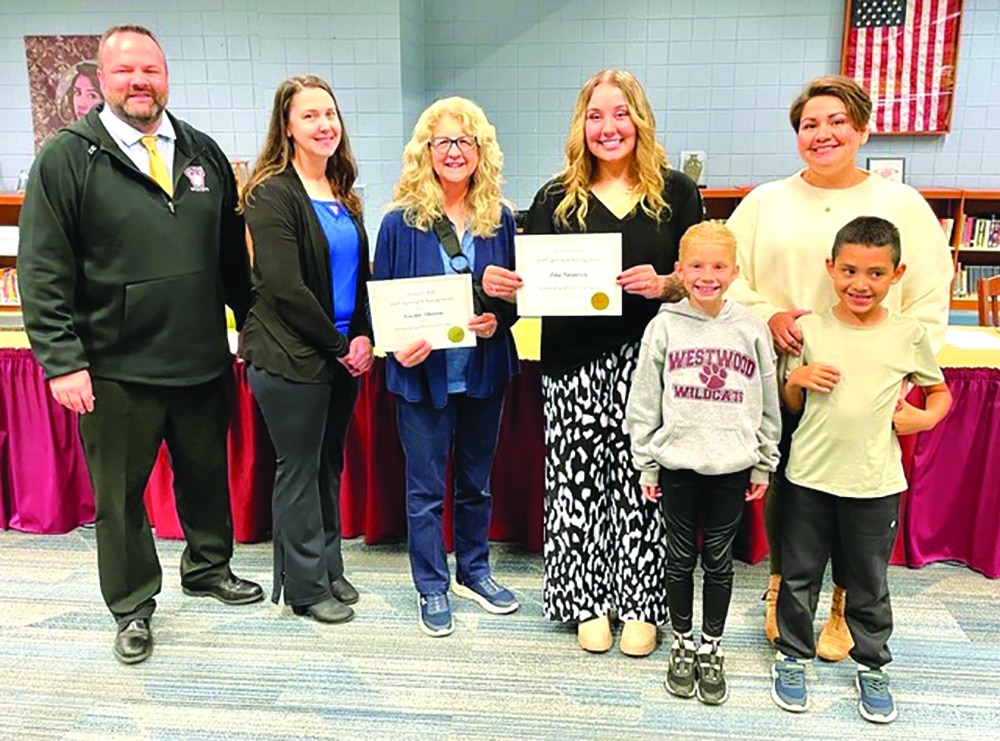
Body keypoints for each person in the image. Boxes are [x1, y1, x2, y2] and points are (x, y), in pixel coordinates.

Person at [16, 25, 261, 665]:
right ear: (101, 80)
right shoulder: (67, 159)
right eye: (125, 72)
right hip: (115, 368)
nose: (139, 82)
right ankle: (131, 606)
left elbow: (231, 260)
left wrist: (256, 320)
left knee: (207, 478)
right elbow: (42, 267)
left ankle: (209, 567)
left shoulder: (202, 153)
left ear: (166, 75)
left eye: (149, 70)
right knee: (121, 501)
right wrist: (62, 360)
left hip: (202, 357)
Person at [725, 75, 953, 659]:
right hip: (787, 374)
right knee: (788, 484)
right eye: (809, 125)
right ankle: (782, 588)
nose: (822, 134)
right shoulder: (764, 202)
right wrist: (769, 315)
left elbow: (929, 291)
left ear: (863, 129)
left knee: (860, 496)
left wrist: (908, 364)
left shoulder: (902, 204)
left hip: (870, 382)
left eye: (836, 122)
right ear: (796, 135)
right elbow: (730, 278)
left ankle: (846, 602)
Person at [482, 69, 703, 656]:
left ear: (640, 120)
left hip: (651, 362)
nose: (609, 127)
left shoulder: (677, 193)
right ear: (581, 125)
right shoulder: (555, 196)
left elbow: (700, 280)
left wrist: (666, 283)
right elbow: (530, 282)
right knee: (577, 479)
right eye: (596, 115)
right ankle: (585, 599)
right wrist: (511, 287)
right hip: (572, 361)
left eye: (620, 113)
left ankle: (641, 602)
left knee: (643, 480)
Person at [769, 216, 951, 724]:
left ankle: (872, 663)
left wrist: (925, 416)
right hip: (808, 476)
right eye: (849, 270)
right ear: (830, 268)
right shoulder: (809, 329)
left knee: (869, 580)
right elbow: (788, 403)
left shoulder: (907, 334)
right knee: (800, 574)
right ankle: (792, 655)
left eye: (875, 273)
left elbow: (938, 391)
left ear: (897, 274)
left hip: (875, 484)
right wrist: (798, 379)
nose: (860, 283)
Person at [373, 96, 520, 637]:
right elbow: (380, 302)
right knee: (426, 489)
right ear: (425, 152)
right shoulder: (399, 224)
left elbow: (513, 300)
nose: (455, 151)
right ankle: (432, 585)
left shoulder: (499, 219)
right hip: (423, 375)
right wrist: (393, 344)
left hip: (483, 371)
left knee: (476, 484)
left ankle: (474, 572)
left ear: (480, 151)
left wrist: (496, 320)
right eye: (444, 141)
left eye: (465, 141)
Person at [626, 222, 780, 705]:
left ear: (735, 272)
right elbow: (645, 400)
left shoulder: (751, 328)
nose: (707, 275)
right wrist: (647, 461)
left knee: (717, 560)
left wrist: (763, 462)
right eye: (696, 266)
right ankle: (682, 642)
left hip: (732, 465)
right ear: (679, 270)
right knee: (677, 559)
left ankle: (711, 646)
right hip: (677, 464)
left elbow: (767, 402)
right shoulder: (665, 325)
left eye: (718, 266)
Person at [239, 75, 374, 625]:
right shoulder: (271, 193)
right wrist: (340, 344)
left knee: (327, 466)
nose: (324, 125)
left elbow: (359, 278)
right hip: (291, 356)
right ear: (288, 127)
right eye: (310, 116)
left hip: (340, 351)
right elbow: (282, 286)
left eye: (330, 114)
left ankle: (329, 568)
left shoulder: (344, 195)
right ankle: (304, 586)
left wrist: (364, 334)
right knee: (298, 470)